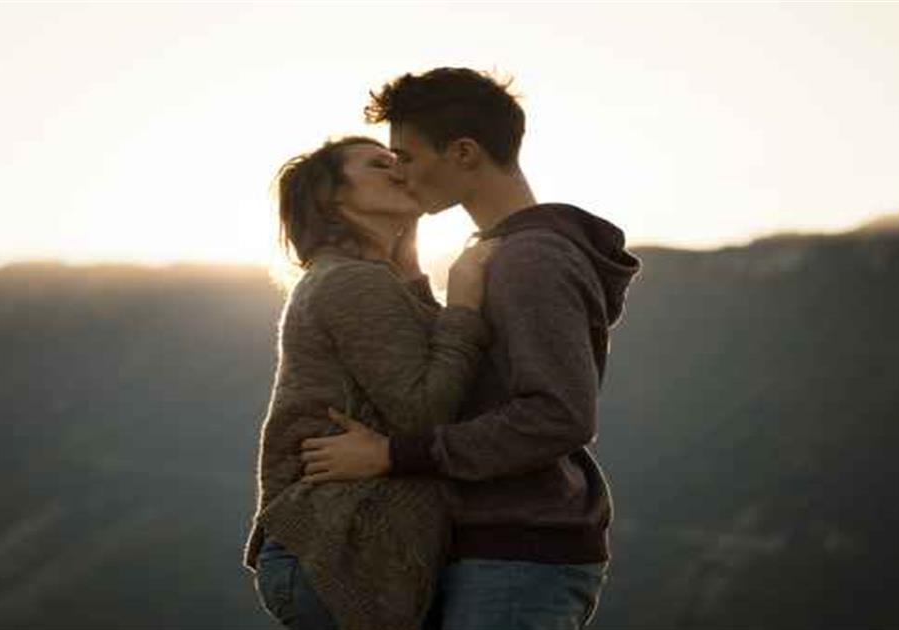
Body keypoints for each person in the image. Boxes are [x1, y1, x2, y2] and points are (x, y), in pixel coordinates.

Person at [298, 68, 642, 629]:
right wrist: (411, 272)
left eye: (405, 156)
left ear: (462, 152)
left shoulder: (531, 259)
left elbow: (558, 416)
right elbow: (473, 381)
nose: (399, 173)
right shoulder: (496, 253)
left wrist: (394, 455)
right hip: (486, 546)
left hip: (521, 551)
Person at [242, 136, 498, 629]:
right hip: (338, 551)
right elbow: (425, 412)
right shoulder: (354, 282)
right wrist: (465, 306)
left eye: (399, 160)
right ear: (332, 197)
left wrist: (411, 266)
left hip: (330, 548)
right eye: (379, 164)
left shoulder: (352, 276)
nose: (399, 169)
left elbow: (413, 354)